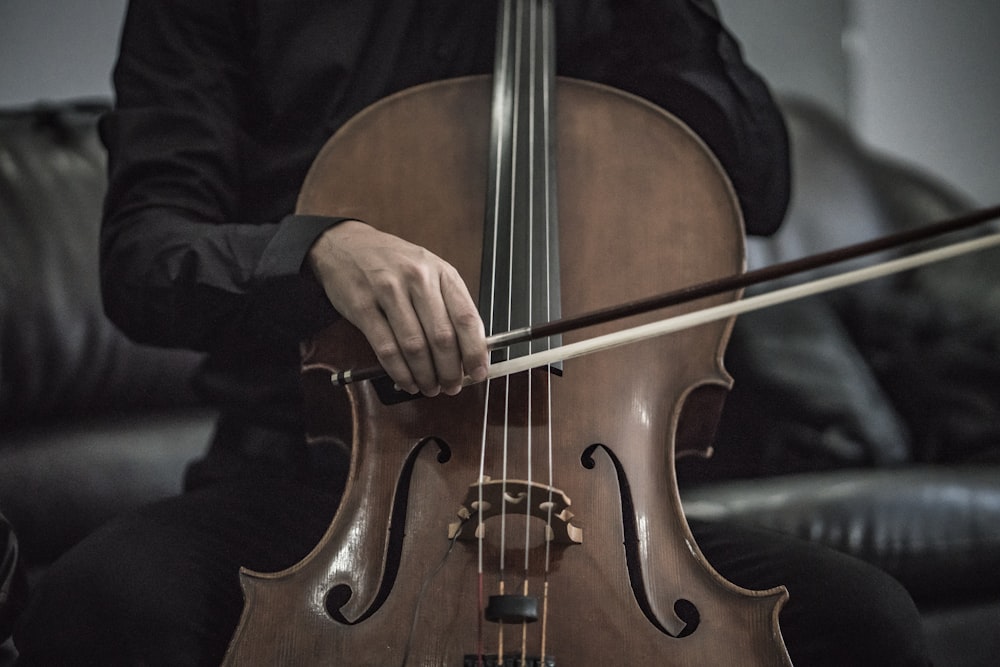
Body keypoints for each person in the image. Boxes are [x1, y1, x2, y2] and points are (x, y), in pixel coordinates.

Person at [13, 1, 929, 665]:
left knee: (866, 622)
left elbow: (758, 185)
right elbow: (144, 255)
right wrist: (316, 250)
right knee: (105, 604)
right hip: (311, 484)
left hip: (602, 502)